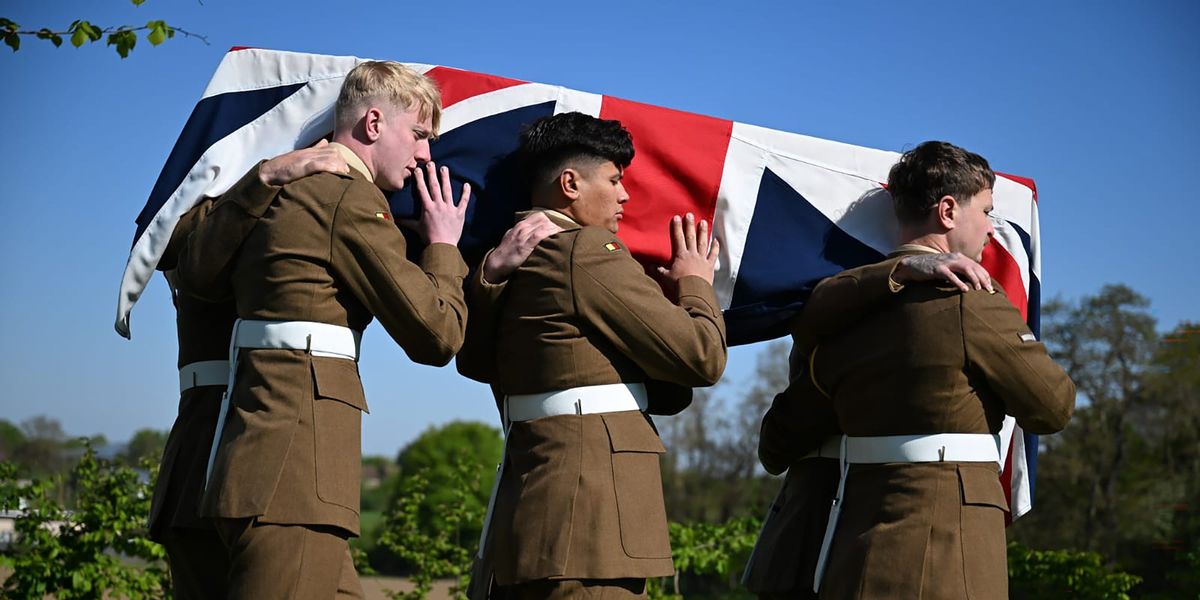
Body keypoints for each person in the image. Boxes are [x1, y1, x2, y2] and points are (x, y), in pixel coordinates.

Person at [176, 60, 553, 599]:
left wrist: (262, 177)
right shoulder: (345, 197)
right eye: (419, 135)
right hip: (293, 473)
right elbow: (437, 335)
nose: (427, 154)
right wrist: (444, 246)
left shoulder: (279, 186)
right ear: (373, 124)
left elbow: (198, 275)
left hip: (267, 466)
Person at [771, 140, 1075, 599]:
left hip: (852, 550)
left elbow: (780, 438)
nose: (993, 231)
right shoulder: (968, 298)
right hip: (947, 555)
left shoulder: (837, 308)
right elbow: (1053, 407)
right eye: (988, 212)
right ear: (948, 211)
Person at [456, 111, 727, 599]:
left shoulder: (511, 257)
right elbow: (702, 356)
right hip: (590, 528)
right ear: (570, 184)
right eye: (615, 180)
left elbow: (473, 360)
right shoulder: (586, 250)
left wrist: (487, 279)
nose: (625, 196)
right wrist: (695, 284)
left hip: (533, 517)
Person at [148, 143, 351, 599]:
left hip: (237, 456)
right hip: (239, 455)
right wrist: (267, 178)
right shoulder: (212, 218)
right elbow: (171, 247)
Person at [745, 251, 996, 599]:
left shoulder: (837, 333)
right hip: (815, 551)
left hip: (840, 549)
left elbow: (776, 445)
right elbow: (775, 447)